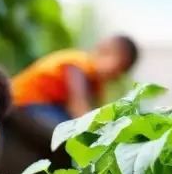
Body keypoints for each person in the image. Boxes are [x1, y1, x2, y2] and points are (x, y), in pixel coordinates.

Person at [11, 36, 140, 126]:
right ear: (104, 51)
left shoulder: (96, 85)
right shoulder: (78, 63)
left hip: (48, 106)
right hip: (24, 101)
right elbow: (78, 107)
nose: (116, 74)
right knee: (66, 130)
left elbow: (94, 112)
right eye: (118, 64)